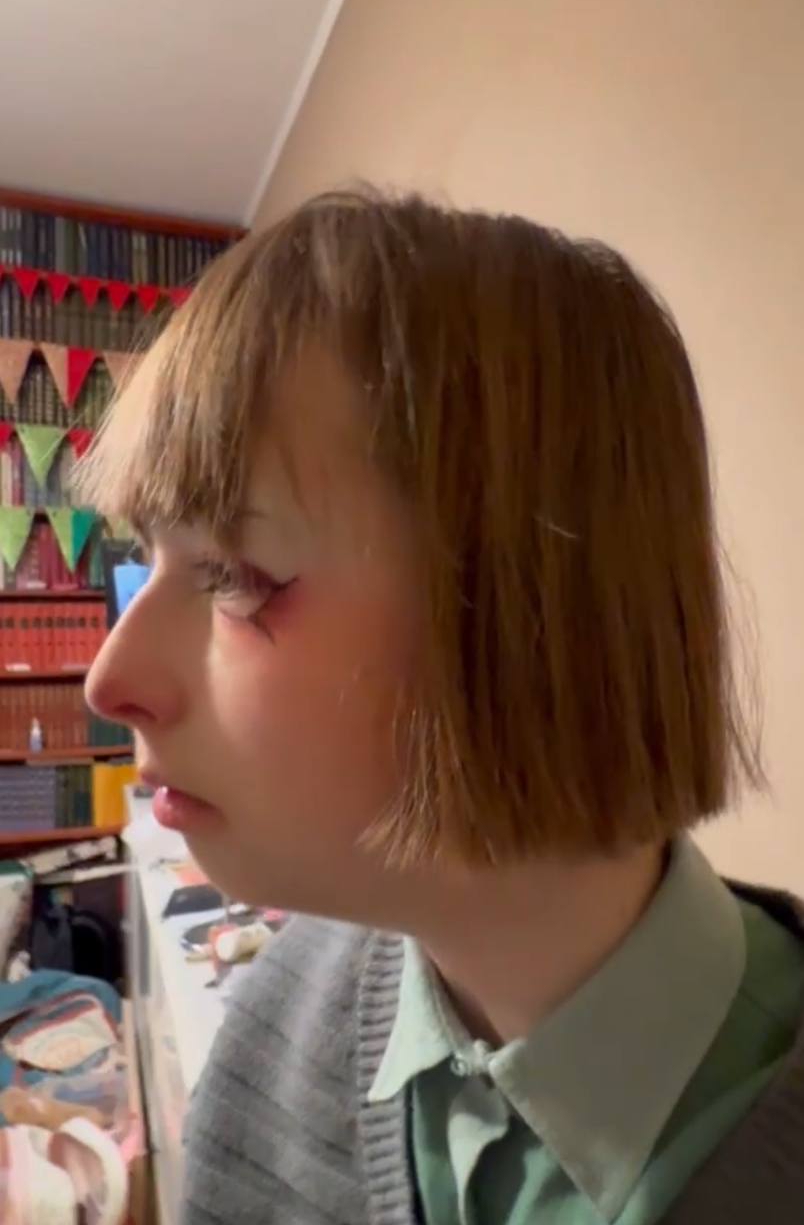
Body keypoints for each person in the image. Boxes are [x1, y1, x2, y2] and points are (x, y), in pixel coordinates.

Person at [79, 190, 804, 1225]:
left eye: (234, 573)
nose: (109, 681)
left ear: (533, 612)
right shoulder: (278, 1036)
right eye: (149, 556)